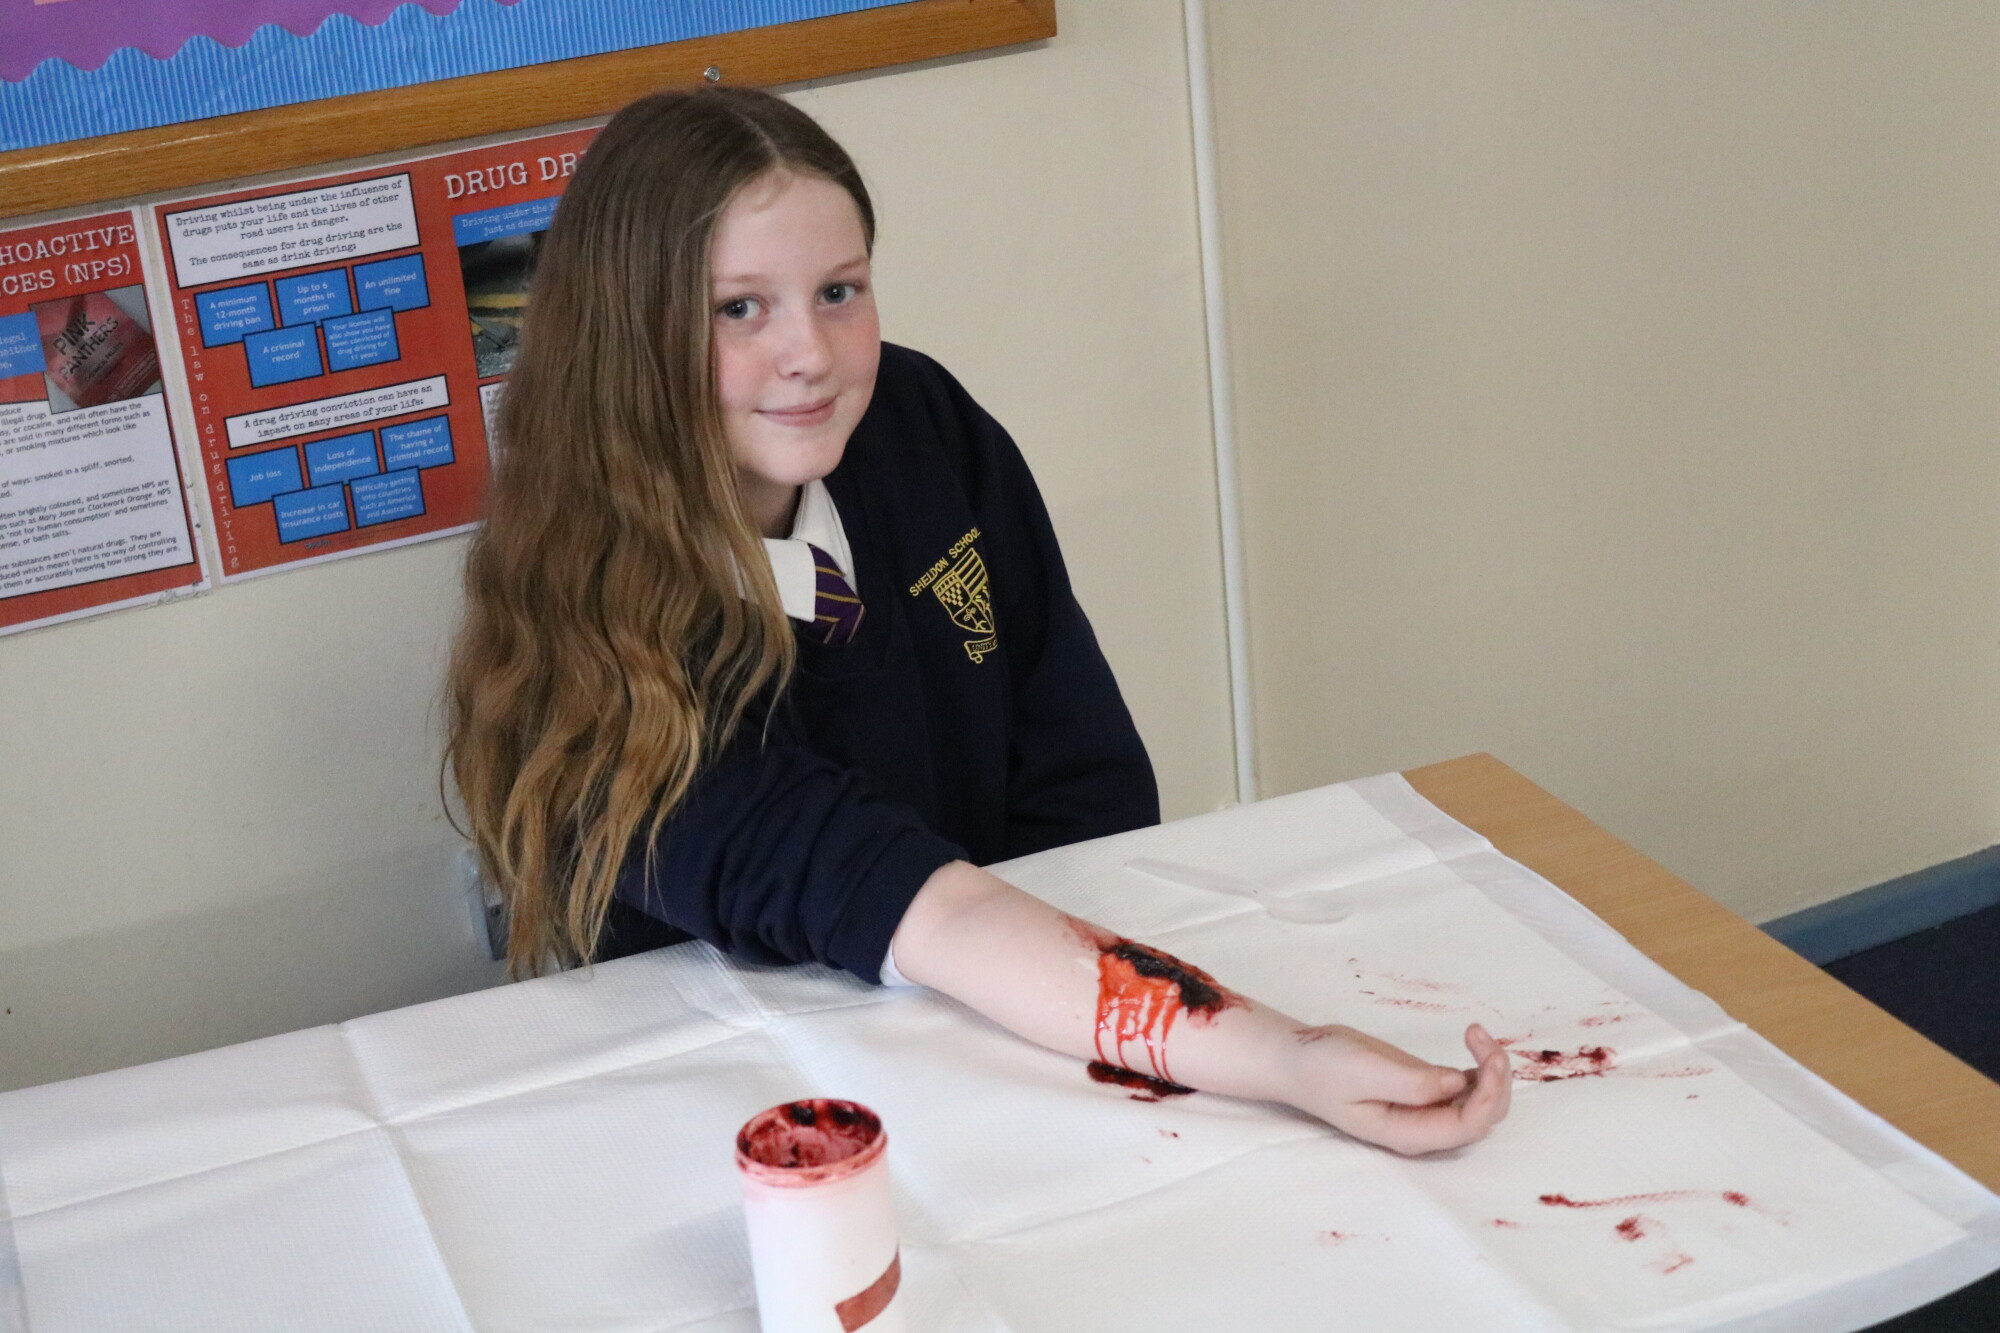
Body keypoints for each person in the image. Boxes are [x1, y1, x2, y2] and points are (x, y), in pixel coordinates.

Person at [445, 87, 1511, 1156]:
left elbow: (1081, 767)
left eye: (838, 291)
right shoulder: (587, 646)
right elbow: (899, 896)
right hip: (766, 1094)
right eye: (739, 310)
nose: (809, 353)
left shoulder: (919, 424)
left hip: (1037, 1019)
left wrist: (1111, 1013)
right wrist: (1289, 1057)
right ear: (624, 335)